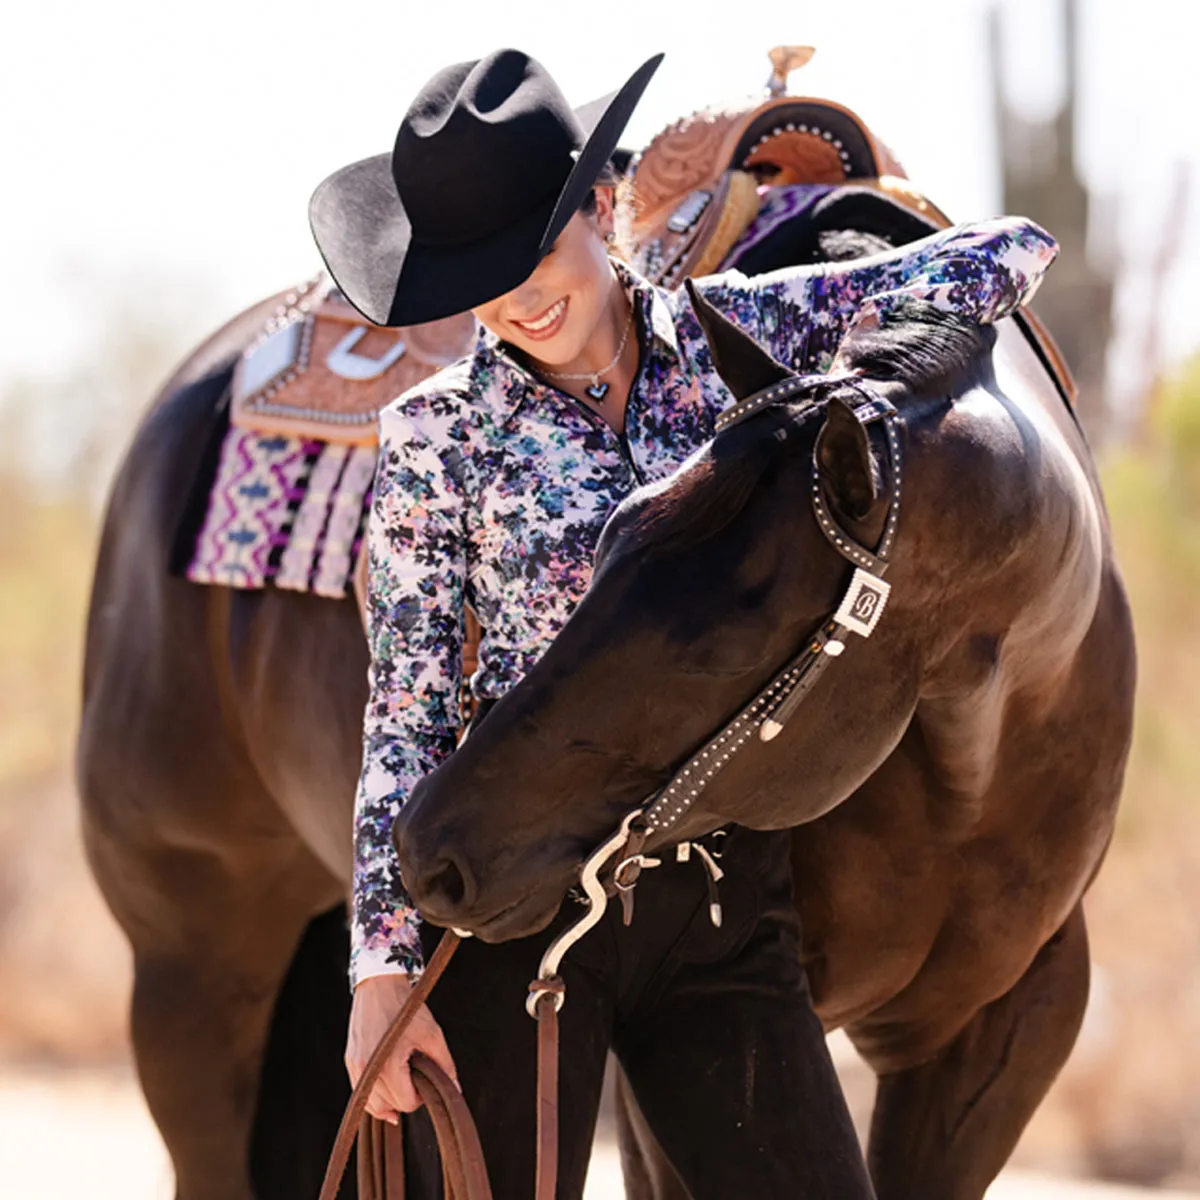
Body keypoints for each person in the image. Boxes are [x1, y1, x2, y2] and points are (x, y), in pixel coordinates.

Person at [309, 47, 1058, 1199]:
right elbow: (406, 711)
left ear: (602, 209)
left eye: (536, 249)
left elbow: (1008, 253)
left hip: (719, 904)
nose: (517, 297)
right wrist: (378, 976)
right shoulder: (435, 436)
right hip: (518, 907)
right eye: (481, 276)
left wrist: (865, 378)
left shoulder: (737, 340)